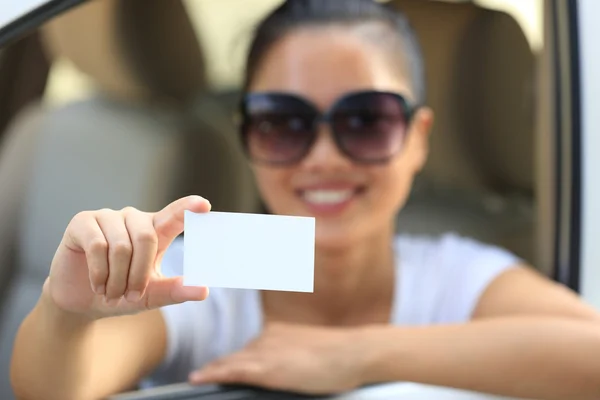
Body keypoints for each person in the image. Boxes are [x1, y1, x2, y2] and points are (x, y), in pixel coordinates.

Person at [10, 1, 600, 399]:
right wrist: (67, 314)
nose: (323, 157)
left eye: (366, 120)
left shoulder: (450, 271)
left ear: (418, 139)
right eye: (283, 123)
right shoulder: (211, 267)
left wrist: (357, 356)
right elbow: (59, 388)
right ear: (247, 138)